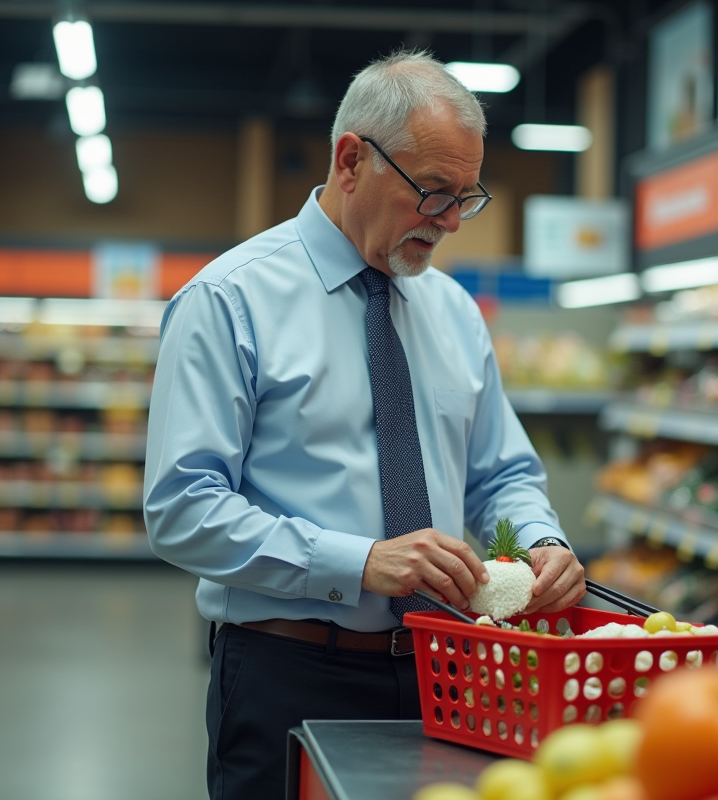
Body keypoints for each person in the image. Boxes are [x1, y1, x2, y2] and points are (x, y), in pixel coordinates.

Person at [144, 49, 586, 800]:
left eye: (466, 197)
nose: (450, 221)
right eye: (433, 192)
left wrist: (542, 540)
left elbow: (501, 472)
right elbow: (183, 511)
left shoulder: (451, 312)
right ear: (351, 161)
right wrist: (357, 562)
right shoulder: (229, 300)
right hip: (288, 672)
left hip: (448, 671)